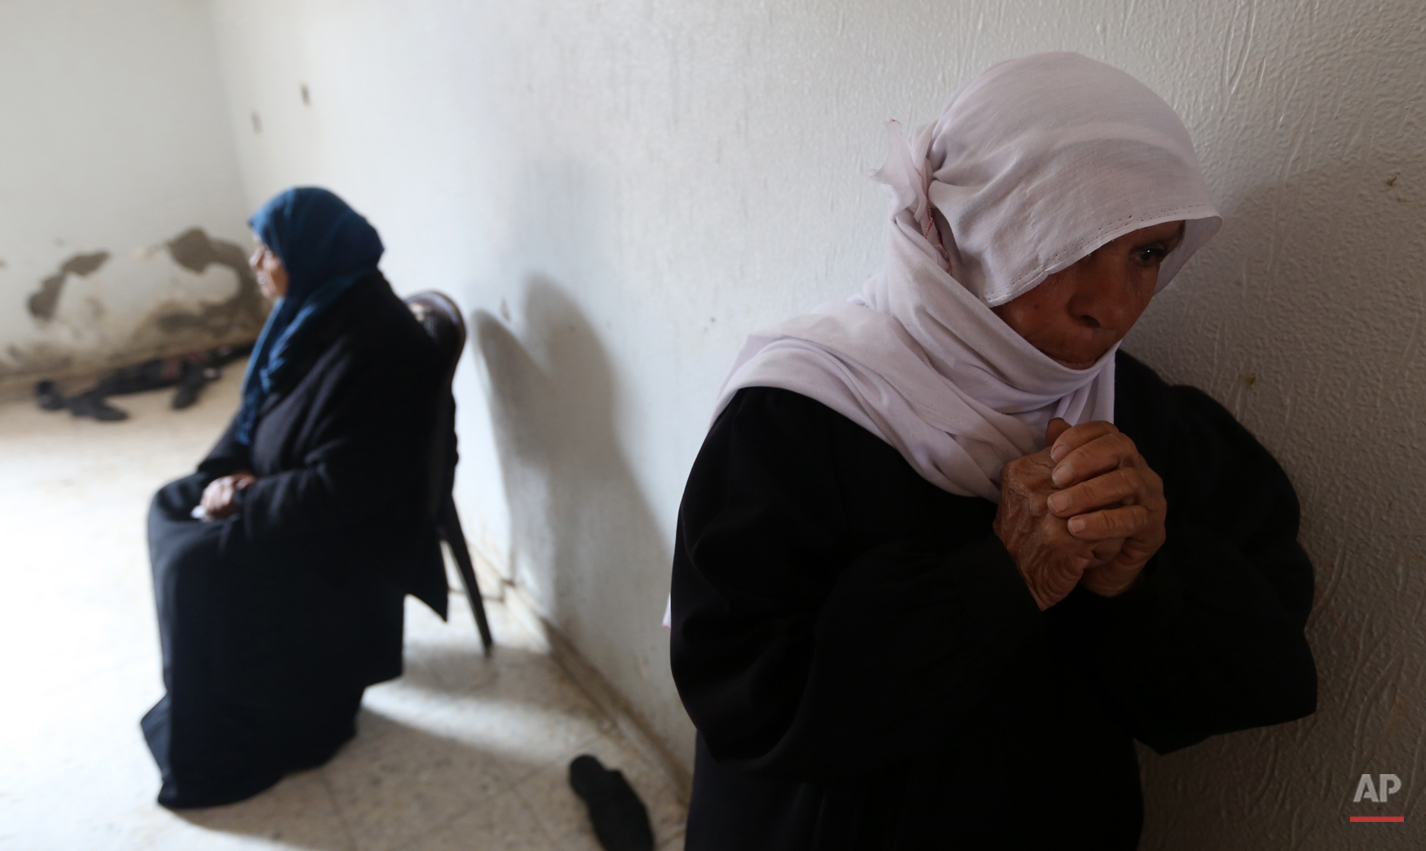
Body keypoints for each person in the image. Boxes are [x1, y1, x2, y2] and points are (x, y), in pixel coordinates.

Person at [668, 53, 1317, 849]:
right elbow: (746, 698)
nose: (1112, 306)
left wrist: (1144, 577)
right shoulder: (797, 416)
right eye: (1072, 242)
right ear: (970, 233)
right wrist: (998, 578)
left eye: (1147, 253)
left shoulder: (1137, 416)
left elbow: (1265, 670)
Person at [141, 187, 454, 809]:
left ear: (311, 254)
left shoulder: (383, 349)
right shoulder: (314, 308)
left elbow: (351, 487)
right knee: (171, 505)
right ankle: (207, 695)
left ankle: (259, 723)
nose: (257, 264)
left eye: (268, 251)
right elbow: (257, 405)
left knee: (193, 562)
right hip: (281, 482)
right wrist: (226, 471)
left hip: (342, 530)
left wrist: (247, 498)